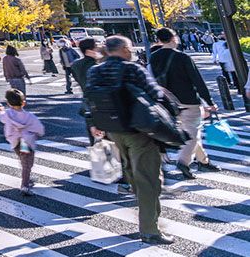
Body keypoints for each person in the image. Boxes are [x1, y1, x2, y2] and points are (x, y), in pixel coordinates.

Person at [85, 35, 176, 245]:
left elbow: (88, 99)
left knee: (133, 175)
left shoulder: (95, 70)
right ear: (124, 49)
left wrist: (94, 122)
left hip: (112, 130)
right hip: (138, 130)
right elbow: (155, 95)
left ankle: (148, 215)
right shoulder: (132, 69)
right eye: (129, 47)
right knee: (148, 178)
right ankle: (150, 229)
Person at [148, 27, 220, 179]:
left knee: (193, 131)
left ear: (159, 40)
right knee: (192, 133)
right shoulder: (182, 57)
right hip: (188, 101)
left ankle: (203, 161)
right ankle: (183, 161)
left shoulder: (153, 57)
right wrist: (209, 101)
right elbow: (197, 81)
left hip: (167, 103)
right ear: (174, 38)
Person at [0, 89, 44, 197]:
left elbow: (1, 117)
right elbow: (39, 128)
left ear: (8, 103)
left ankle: (27, 179)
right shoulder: (29, 116)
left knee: (23, 161)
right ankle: (25, 185)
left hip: (14, 141)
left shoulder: (7, 115)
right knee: (27, 164)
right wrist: (39, 133)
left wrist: (0, 110)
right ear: (23, 103)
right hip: (25, 141)